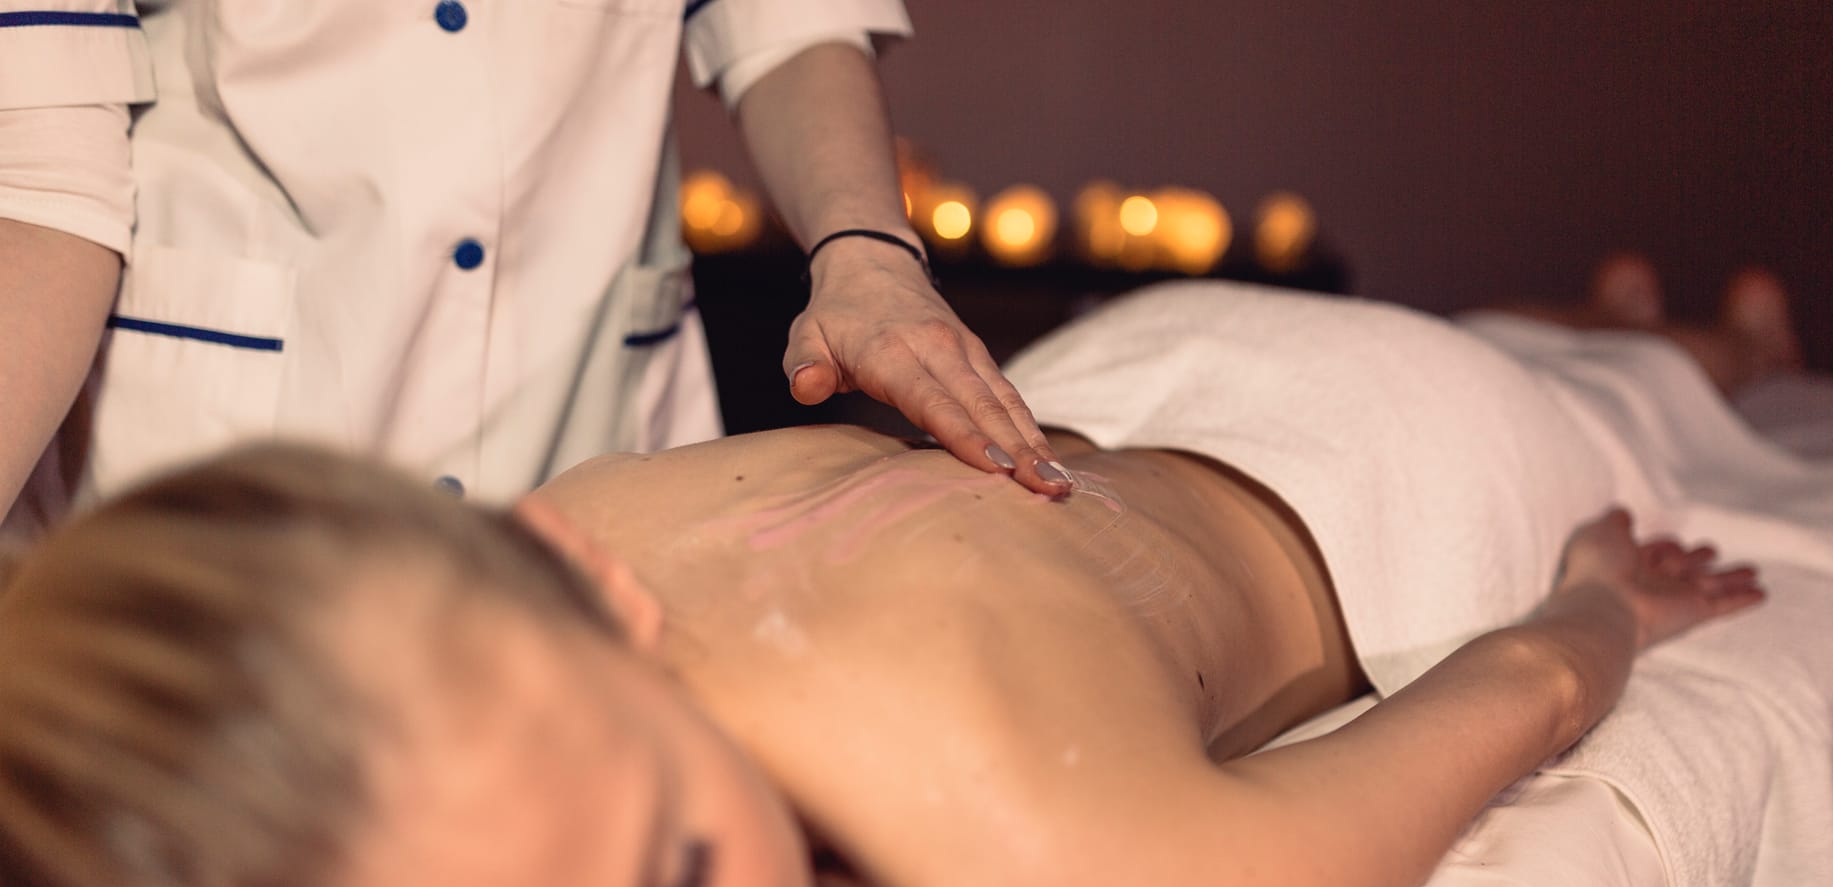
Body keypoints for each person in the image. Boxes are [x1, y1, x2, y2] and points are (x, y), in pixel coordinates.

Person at [0, 261, 1786, 887]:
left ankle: (1711, 347)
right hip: (1122, 363)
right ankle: (1598, 313)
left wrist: (1599, 599)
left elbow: (1528, 683)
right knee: (1546, 343)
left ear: (590, 600)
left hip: (1390, 459)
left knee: (1632, 407)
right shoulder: (538, 567)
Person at [0, 0, 1068, 541]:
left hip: (581, 426)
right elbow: (43, 185)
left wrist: (867, 253)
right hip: (212, 464)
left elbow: (783, 19)